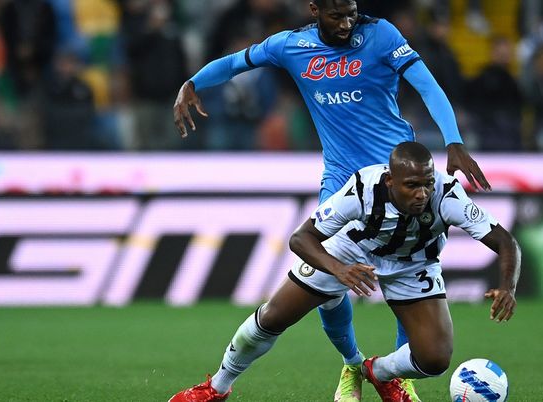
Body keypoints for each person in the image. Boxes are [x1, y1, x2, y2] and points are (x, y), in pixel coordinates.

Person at [172, 1, 492, 400]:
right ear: (314, 9)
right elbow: (237, 62)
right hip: (344, 184)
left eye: (351, 13)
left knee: (410, 269)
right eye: (336, 15)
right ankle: (353, 364)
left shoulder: (380, 35)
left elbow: (427, 84)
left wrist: (454, 140)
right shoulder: (290, 45)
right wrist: (193, 82)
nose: (346, 24)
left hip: (400, 181)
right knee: (324, 283)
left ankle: (395, 375)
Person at [167, 142, 520, 402]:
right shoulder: (363, 188)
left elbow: (505, 242)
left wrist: (507, 286)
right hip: (352, 251)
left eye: (427, 182)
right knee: (272, 316)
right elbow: (301, 237)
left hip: (414, 263)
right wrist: (340, 269)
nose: (422, 192)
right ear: (390, 181)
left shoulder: (447, 195)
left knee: (435, 359)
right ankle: (216, 388)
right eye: (412, 185)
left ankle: (377, 373)